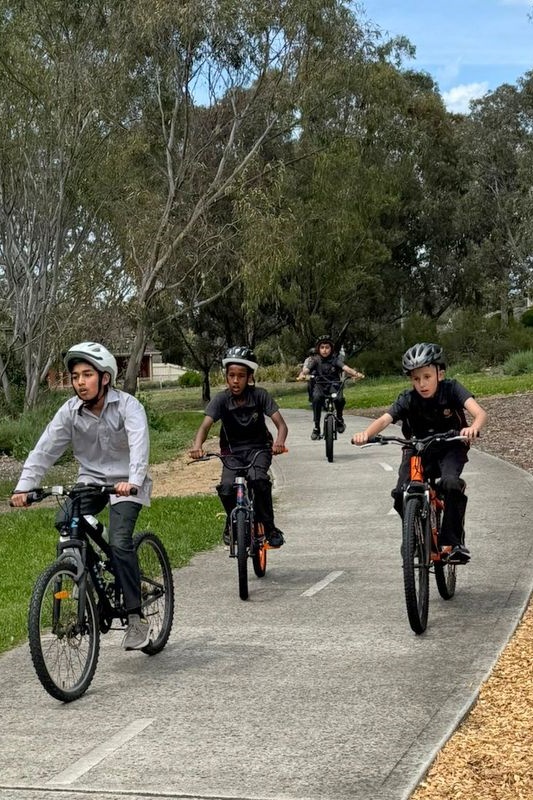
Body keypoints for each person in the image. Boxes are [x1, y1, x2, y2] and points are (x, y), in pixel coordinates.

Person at [10, 342, 153, 650]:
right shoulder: (69, 412)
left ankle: (136, 616)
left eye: (87, 375)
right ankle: (83, 578)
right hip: (90, 481)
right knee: (65, 522)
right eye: (75, 376)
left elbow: (140, 445)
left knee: (120, 541)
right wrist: (24, 486)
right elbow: (45, 449)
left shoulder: (129, 406)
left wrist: (133, 481)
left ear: (105, 378)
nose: (80, 382)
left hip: (126, 481)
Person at [351, 342, 487, 564]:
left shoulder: (452, 389)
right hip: (418, 448)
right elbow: (386, 419)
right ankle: (414, 535)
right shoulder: (407, 398)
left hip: (451, 445)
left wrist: (473, 427)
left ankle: (453, 543)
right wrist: (365, 434)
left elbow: (479, 413)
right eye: (416, 379)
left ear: (439, 374)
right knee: (399, 494)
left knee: (450, 483)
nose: (422, 384)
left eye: (427, 376)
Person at [189, 346, 288, 548]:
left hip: (259, 449)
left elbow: (281, 425)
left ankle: (269, 527)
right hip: (231, 453)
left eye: (241, 376)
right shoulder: (221, 399)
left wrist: (279, 442)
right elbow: (205, 426)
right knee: (226, 488)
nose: (236, 380)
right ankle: (231, 520)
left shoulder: (260, 395)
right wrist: (198, 446)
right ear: (226, 377)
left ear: (249, 377)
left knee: (259, 480)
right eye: (231, 375)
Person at [297, 335, 364, 440]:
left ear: (331, 349)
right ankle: (316, 427)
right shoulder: (315, 360)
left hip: (334, 384)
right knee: (317, 399)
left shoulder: (335, 360)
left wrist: (356, 373)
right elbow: (307, 370)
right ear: (318, 349)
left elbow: (345, 368)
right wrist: (302, 374)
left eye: (327, 347)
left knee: (339, 399)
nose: (324, 350)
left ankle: (340, 419)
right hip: (320, 385)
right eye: (322, 347)